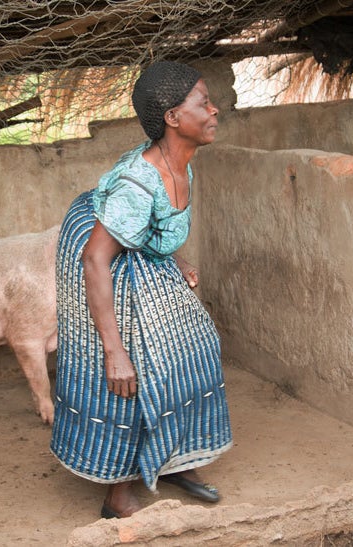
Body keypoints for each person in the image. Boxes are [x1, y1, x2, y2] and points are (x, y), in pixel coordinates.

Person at [50, 60, 232, 518]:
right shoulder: (138, 183)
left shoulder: (181, 163)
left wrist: (175, 256)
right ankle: (118, 492)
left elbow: (153, 227)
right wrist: (113, 350)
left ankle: (173, 462)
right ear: (173, 119)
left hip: (130, 248)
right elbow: (96, 258)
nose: (215, 111)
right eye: (203, 103)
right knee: (131, 372)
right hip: (99, 259)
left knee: (196, 347)